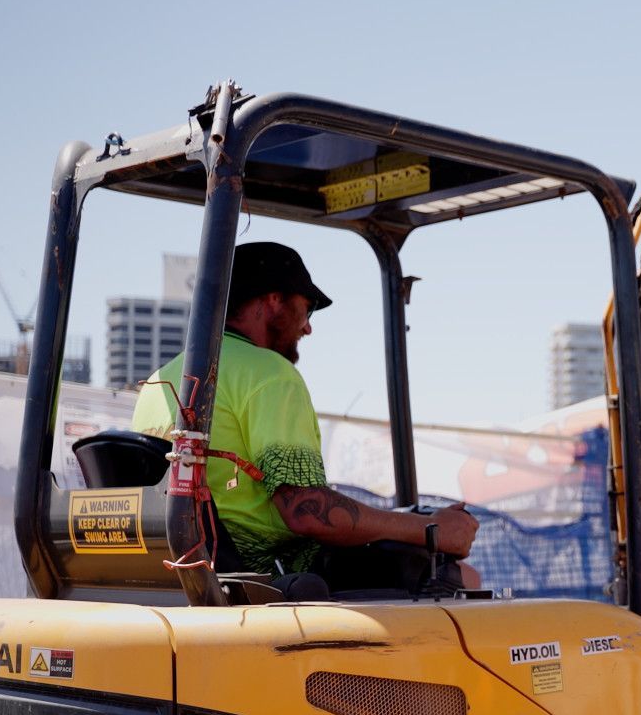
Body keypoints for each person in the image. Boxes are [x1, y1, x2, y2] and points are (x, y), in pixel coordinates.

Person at [132, 241, 481, 589]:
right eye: (307, 309)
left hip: (184, 577)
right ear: (274, 301)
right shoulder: (269, 373)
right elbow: (304, 511)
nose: (308, 328)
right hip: (266, 576)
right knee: (462, 576)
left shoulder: (159, 382)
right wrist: (431, 528)